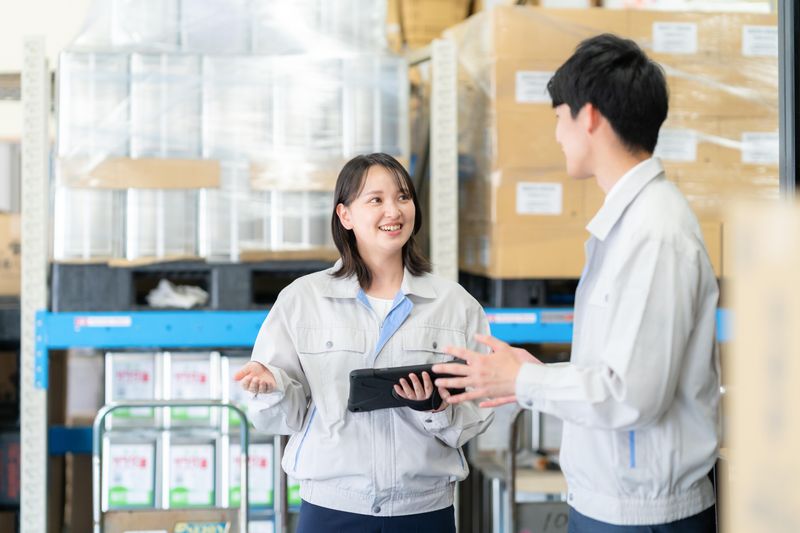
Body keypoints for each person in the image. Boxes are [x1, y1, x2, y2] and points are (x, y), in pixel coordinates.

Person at [433, 34, 720, 533]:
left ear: (588, 116)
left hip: (642, 517)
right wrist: (536, 373)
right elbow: (620, 367)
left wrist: (523, 382)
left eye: (560, 116)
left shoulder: (655, 234)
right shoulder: (630, 225)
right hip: (610, 503)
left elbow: (632, 394)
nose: (558, 134)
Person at [235, 153, 494, 533]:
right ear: (345, 215)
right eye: (376, 199)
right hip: (332, 508)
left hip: (424, 509)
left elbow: (479, 408)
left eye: (403, 197)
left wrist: (435, 407)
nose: (394, 211)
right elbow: (284, 418)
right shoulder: (303, 300)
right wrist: (270, 386)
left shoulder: (454, 305)